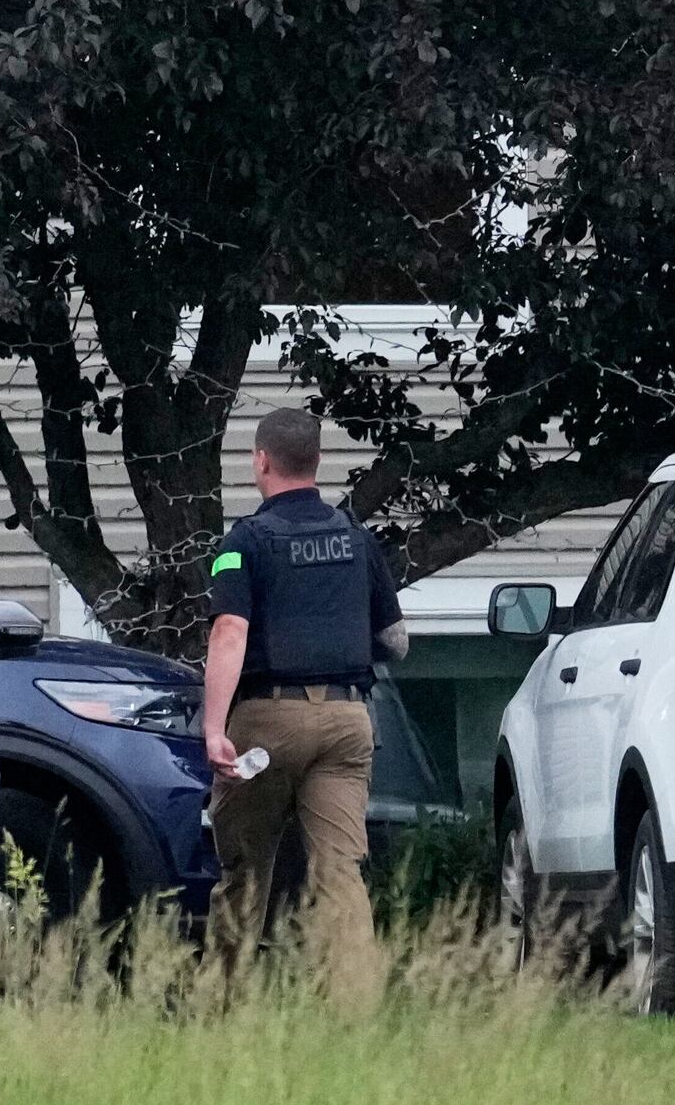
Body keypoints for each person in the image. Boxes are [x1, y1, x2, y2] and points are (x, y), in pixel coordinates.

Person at [197, 402, 405, 1003]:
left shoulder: (244, 543)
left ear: (262, 461)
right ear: (316, 462)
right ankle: (354, 1014)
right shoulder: (356, 538)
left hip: (268, 722)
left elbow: (229, 632)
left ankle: (223, 1006)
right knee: (339, 872)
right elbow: (397, 641)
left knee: (245, 869)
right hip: (346, 723)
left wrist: (215, 729)